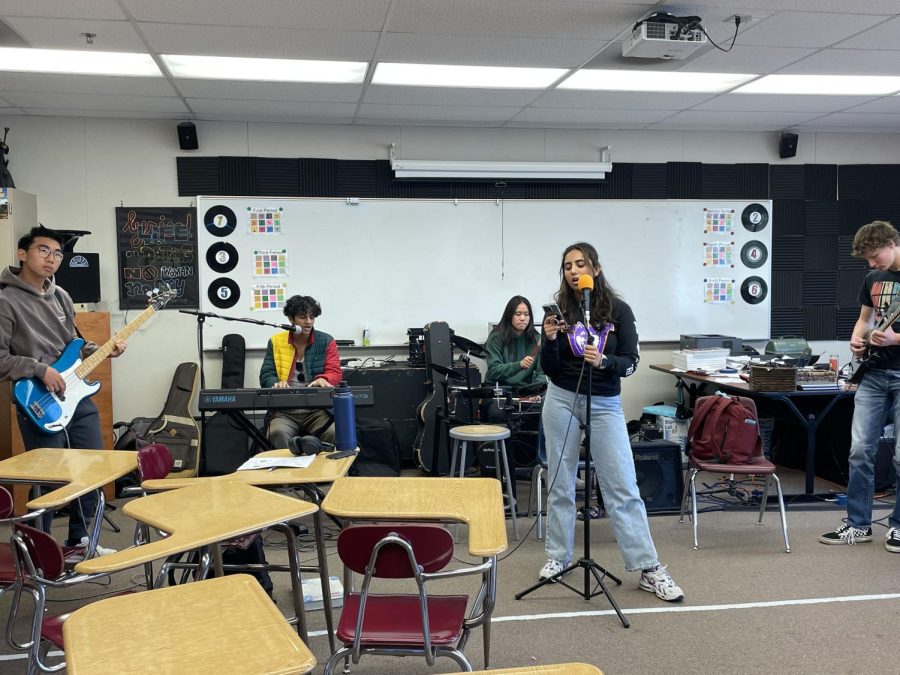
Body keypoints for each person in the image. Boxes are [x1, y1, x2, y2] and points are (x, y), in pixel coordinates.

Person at [538, 242, 684, 602]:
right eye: (567, 266)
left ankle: (649, 568)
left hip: (604, 402)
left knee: (622, 486)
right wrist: (550, 341)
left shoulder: (619, 310)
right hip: (561, 399)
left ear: (596, 269)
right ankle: (558, 558)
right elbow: (550, 368)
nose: (573, 271)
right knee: (561, 482)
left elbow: (631, 361)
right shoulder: (560, 313)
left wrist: (604, 361)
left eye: (580, 264)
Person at [0, 226, 125, 551]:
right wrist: (40, 370)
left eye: (57, 253)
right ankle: (36, 547)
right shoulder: (5, 300)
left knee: (92, 466)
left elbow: (73, 346)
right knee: (49, 475)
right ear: (23, 254)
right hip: (37, 399)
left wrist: (100, 349)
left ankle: (81, 539)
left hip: (75, 394)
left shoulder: (62, 297)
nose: (51, 258)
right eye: (43, 250)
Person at [819, 220, 900, 552]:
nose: (871, 263)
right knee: (859, 451)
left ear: (892, 243)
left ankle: (898, 528)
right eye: (866, 258)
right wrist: (858, 338)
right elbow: (866, 319)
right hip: (873, 373)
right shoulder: (873, 278)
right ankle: (857, 524)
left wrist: (897, 338)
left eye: (874, 255)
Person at [259, 294, 342, 448]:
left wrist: (325, 379)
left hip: (318, 409)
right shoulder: (276, 341)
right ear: (291, 319)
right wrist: (276, 383)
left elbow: (335, 371)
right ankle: (285, 472)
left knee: (335, 432)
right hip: (285, 409)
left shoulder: (326, 341)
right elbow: (266, 374)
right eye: (303, 317)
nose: (308, 322)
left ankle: (325, 472)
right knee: (276, 432)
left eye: (312, 317)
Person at [481, 295, 545, 467]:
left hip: (525, 394)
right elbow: (494, 371)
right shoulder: (496, 337)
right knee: (497, 413)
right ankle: (501, 467)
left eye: (526, 314)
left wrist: (536, 393)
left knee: (548, 414)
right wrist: (519, 365)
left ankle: (535, 465)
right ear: (510, 315)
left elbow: (540, 373)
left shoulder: (537, 339)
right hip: (498, 392)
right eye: (518, 314)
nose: (523, 318)